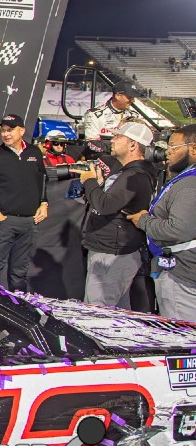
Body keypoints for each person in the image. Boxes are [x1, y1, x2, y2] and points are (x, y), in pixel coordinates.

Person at [78, 122, 156, 310]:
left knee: (98, 312)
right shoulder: (129, 172)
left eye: (118, 137)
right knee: (118, 312)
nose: (112, 141)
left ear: (133, 145)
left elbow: (105, 205)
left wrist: (89, 182)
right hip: (112, 249)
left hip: (113, 253)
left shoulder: (134, 175)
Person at [129, 124, 196, 320]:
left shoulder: (190, 184)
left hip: (183, 275)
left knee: (182, 334)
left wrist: (143, 221)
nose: (167, 152)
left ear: (193, 148)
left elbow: (178, 230)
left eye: (173, 146)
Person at [0, 114, 49, 292]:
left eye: (10, 130)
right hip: (4, 223)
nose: (6, 134)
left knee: (20, 273)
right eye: (3, 130)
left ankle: (19, 306)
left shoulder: (34, 153)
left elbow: (43, 180)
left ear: (22, 131)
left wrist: (44, 203)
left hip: (29, 222)